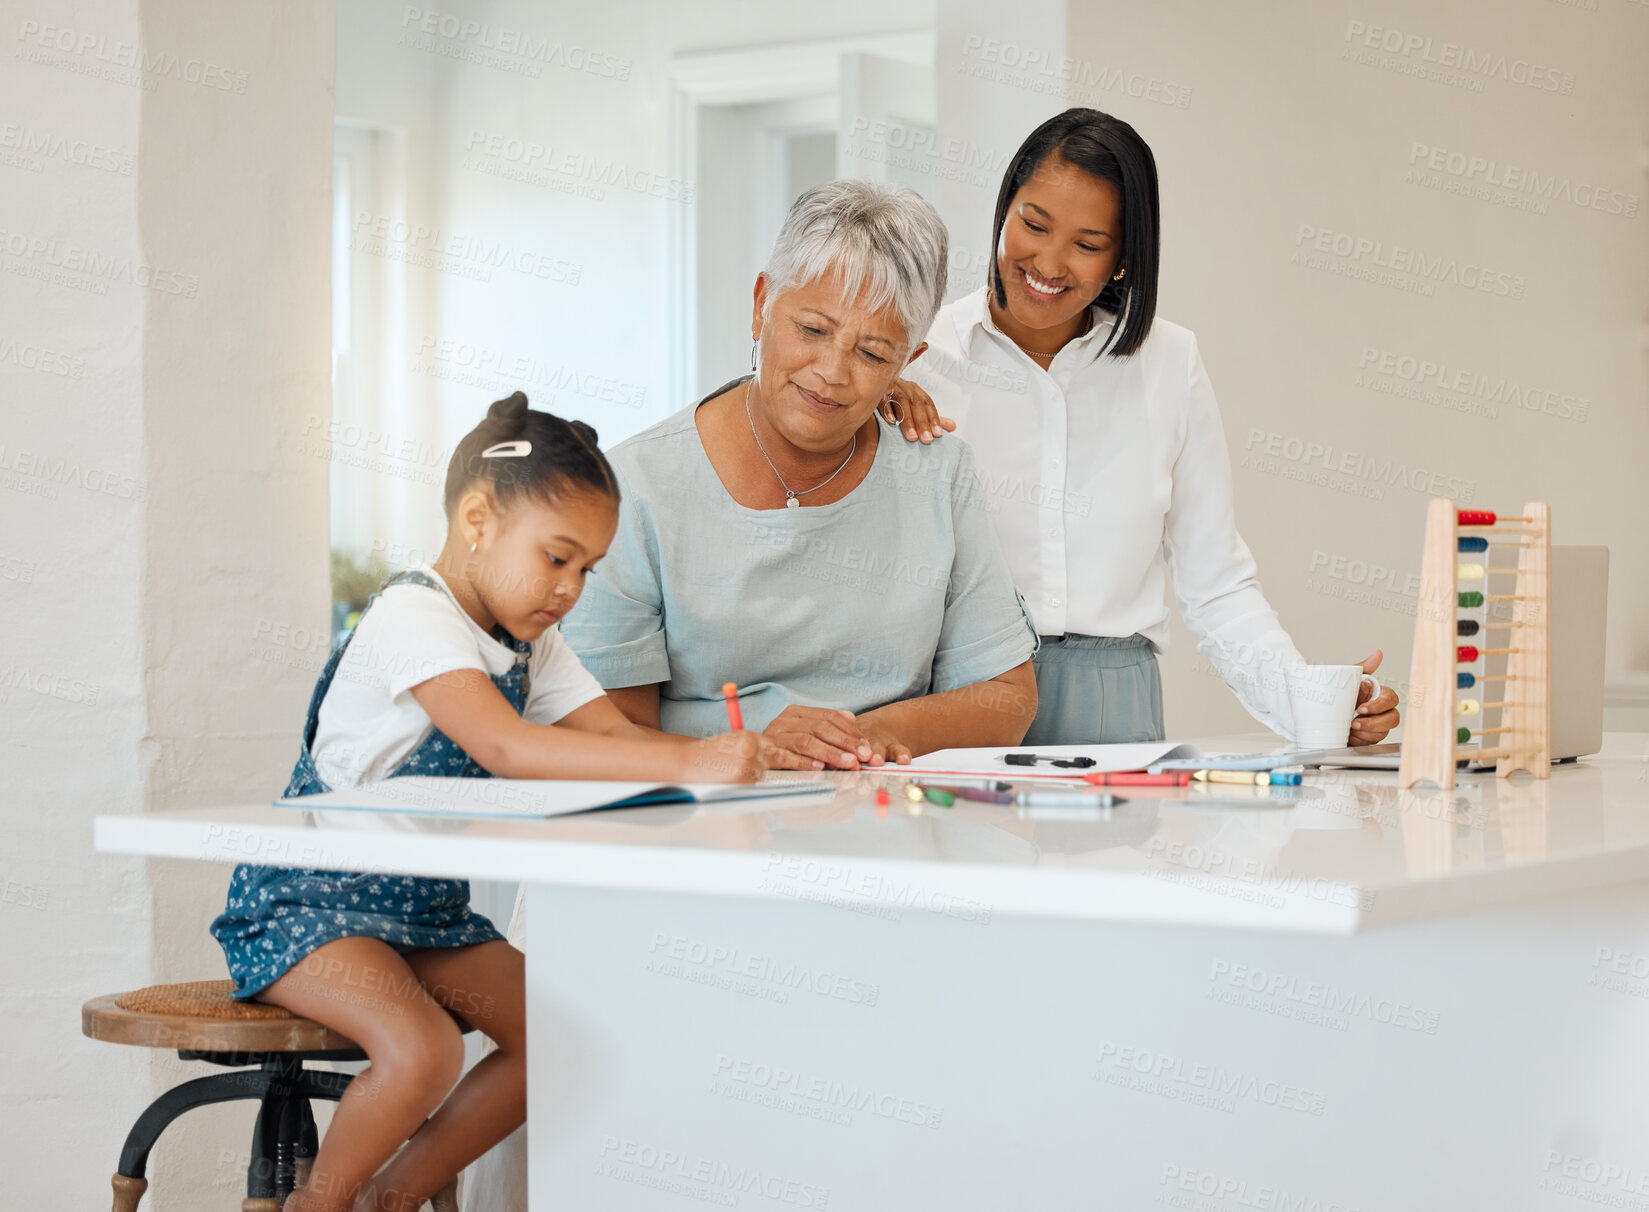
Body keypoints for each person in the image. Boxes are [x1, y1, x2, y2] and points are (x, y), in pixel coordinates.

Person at [462, 175, 1040, 1212]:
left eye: (872, 352)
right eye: (811, 328)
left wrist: (861, 733)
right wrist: (766, 742)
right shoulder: (635, 487)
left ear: (910, 359)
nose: (830, 372)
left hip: (876, 864)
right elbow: (608, 730)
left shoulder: (933, 470)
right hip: (672, 864)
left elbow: (1002, 692)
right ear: (760, 302)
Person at [210, 394, 776, 1212]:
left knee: (557, 1042)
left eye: (587, 568)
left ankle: (390, 1199)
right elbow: (505, 747)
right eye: (557, 558)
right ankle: (319, 1206)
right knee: (423, 1051)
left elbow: (613, 737)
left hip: (421, 911)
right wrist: (694, 761)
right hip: (314, 901)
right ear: (477, 518)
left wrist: (732, 760)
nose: (571, 588)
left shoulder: (529, 643)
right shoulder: (414, 615)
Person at [883, 108, 1401, 746]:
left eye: (1088, 245)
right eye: (1033, 224)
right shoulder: (917, 358)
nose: (1048, 261)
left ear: (1124, 259)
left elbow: (1218, 586)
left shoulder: (1170, 363)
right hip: (959, 701)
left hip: (1114, 710)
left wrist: (1313, 705)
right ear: (1004, 211)